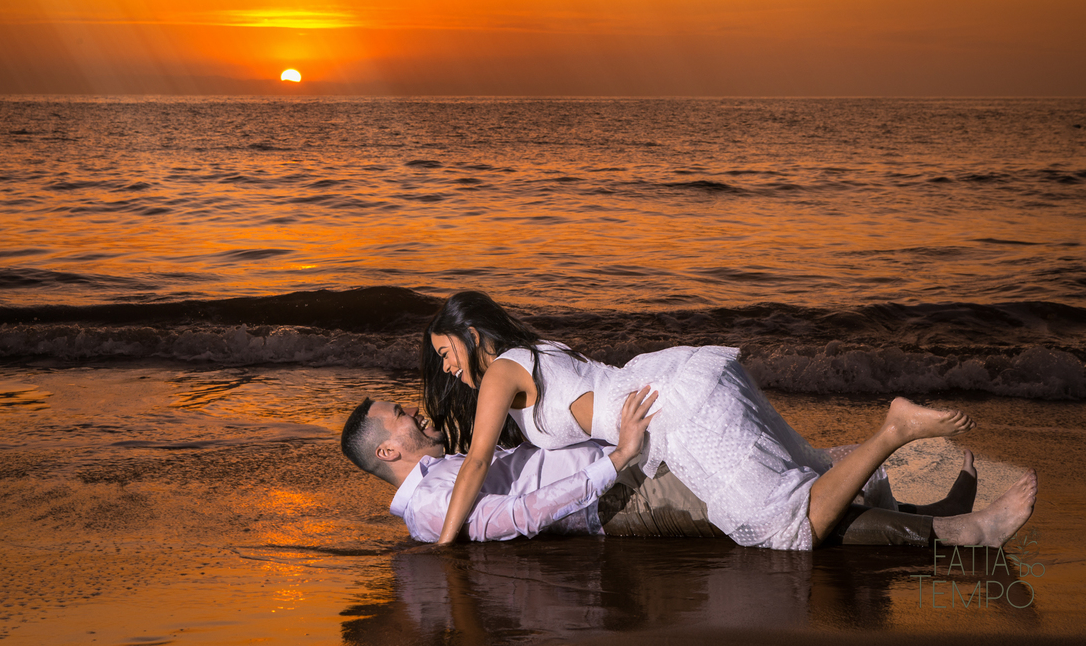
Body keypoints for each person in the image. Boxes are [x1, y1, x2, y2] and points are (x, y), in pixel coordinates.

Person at [422, 291, 1037, 550]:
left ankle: (897, 434)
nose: (447, 369)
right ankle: (947, 519)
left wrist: (444, 543)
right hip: (684, 382)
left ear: (471, 334)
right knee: (805, 478)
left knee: (784, 527)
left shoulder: (501, 371)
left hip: (680, 412)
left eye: (446, 353)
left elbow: (477, 461)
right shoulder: (537, 354)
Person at [340, 393, 1037, 548]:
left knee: (772, 467)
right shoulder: (432, 505)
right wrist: (616, 460)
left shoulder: (445, 469)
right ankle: (957, 534)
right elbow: (516, 516)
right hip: (618, 500)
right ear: (387, 451)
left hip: (625, 468)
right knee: (781, 512)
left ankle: (913, 504)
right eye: (399, 414)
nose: (412, 410)